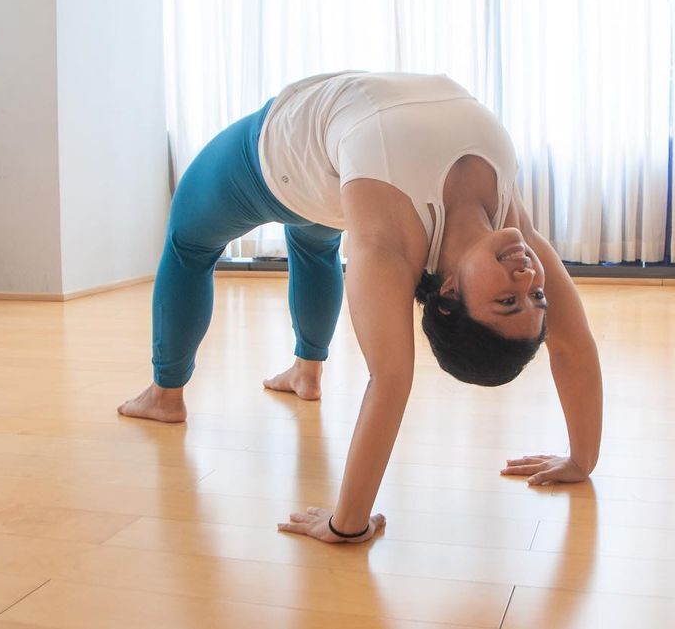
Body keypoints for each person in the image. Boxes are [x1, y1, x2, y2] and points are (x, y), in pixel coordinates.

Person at [119, 71, 604, 544]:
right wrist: (582, 460)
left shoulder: (387, 244)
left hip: (277, 162)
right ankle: (306, 371)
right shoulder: (511, 225)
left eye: (506, 301)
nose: (528, 278)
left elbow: (391, 379)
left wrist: (345, 523)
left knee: (188, 239)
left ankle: (166, 395)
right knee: (313, 241)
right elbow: (572, 345)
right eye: (535, 297)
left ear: (449, 297)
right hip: (332, 167)